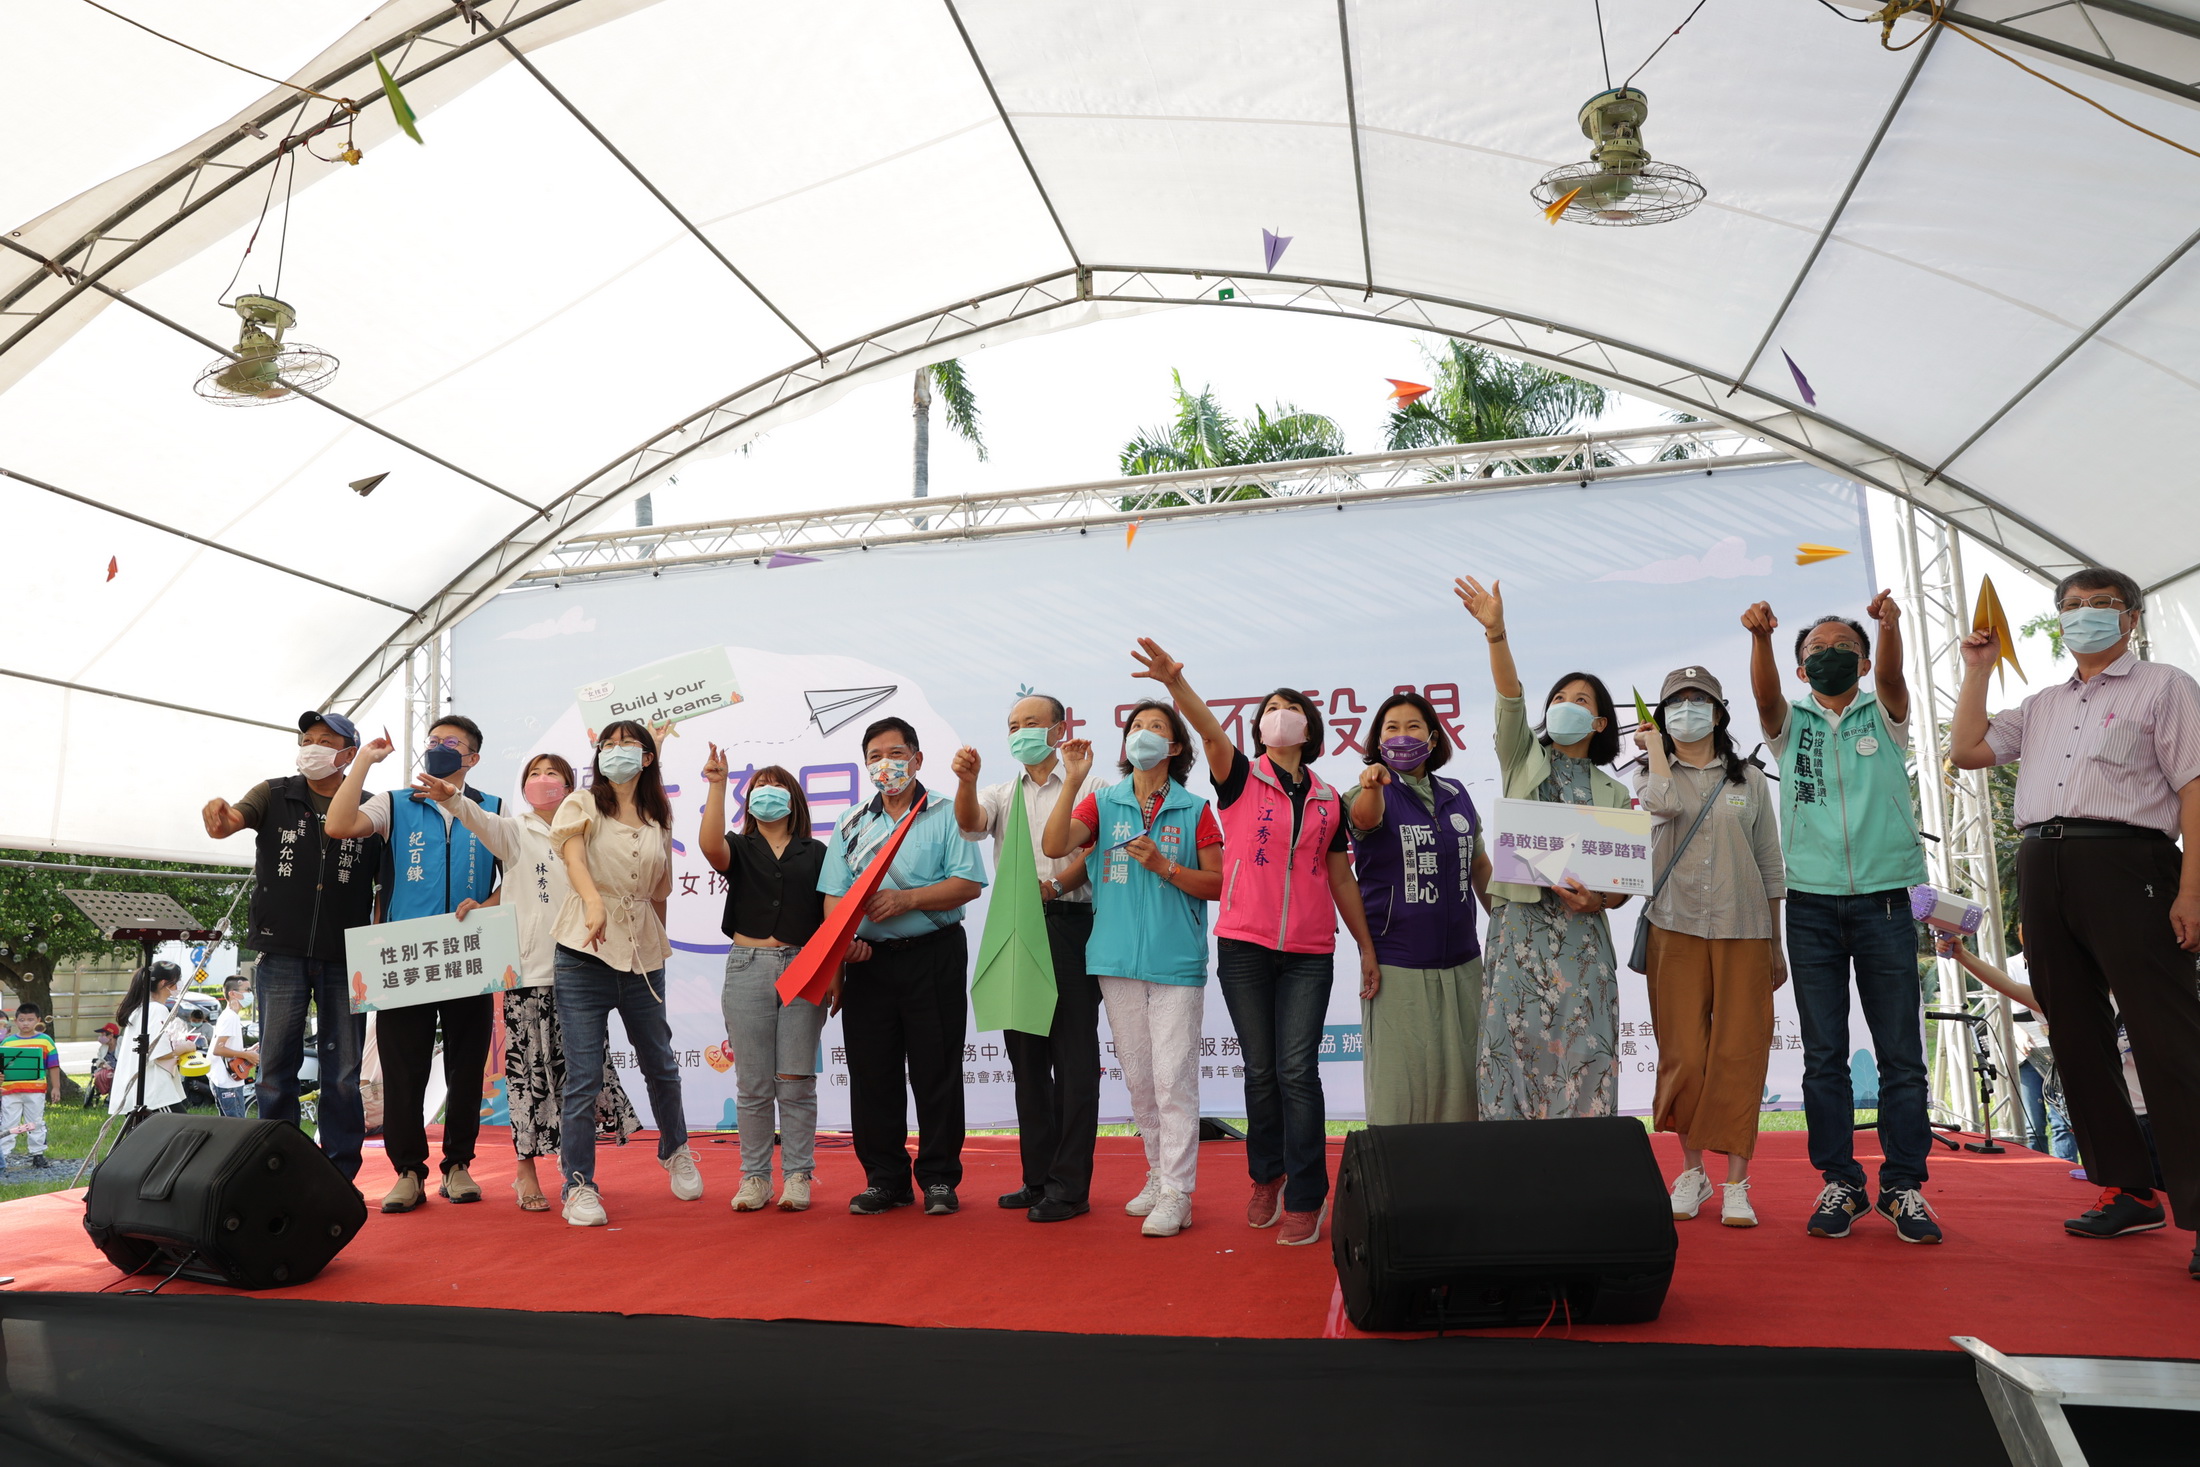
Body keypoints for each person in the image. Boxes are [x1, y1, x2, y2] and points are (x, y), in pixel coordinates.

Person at [1950, 565, 2200, 1279]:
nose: (2085, 614)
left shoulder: (2167, 686)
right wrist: (1978, 669)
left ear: (2133, 618)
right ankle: (2126, 1187)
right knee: (2076, 1032)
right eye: (2073, 606)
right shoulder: (2042, 703)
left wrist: (2193, 889)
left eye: (2102, 605)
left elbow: (2195, 789)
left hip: (2131, 862)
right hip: (2043, 861)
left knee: (2167, 1036)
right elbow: (1967, 748)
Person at [1128, 640, 1379, 1248]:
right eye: (1270, 708)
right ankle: (1266, 1176)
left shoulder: (1328, 799)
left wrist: (1365, 947)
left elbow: (1341, 876)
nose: (1279, 713)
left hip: (1310, 952)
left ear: (1309, 729)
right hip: (1244, 944)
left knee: (1298, 1070)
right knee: (1262, 1071)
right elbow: (1210, 732)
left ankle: (1305, 1196)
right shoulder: (1241, 778)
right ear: (1261, 727)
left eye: (1291, 708)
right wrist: (1175, 686)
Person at [1744, 593, 1939, 1243]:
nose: (1828, 656)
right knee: (1824, 1054)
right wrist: (1762, 641)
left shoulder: (1883, 712)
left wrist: (1887, 629)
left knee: (1901, 1055)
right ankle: (1842, 1182)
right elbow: (1765, 696)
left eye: (1841, 648)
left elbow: (1891, 675)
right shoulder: (1788, 722)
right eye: (1815, 651)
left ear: (1859, 659)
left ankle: (1905, 1184)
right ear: (1801, 669)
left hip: (1887, 899)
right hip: (1810, 904)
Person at [1041, 701, 1226, 1238]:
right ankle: (1155, 1172)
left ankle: (1179, 1192)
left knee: (1173, 1080)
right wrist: (1073, 781)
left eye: (1155, 728)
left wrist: (1165, 866)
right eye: (1135, 727)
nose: (1142, 734)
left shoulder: (1196, 810)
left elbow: (1218, 885)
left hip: (1175, 963)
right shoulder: (1104, 804)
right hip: (1115, 960)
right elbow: (1055, 847)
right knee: (1142, 1079)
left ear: (1174, 748)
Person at [1453, 576, 1634, 1122]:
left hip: (1583, 942)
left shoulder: (1617, 792)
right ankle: (1511, 1189)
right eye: (1560, 697)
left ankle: (1584, 1187)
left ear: (1599, 722)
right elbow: (1510, 698)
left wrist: (1598, 901)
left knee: (1586, 1059)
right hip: (1520, 936)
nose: (1565, 705)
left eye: (1581, 701)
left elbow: (1623, 884)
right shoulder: (1521, 759)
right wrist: (1496, 634)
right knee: (1511, 1057)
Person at [426, 753, 641, 1211]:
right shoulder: (515, 829)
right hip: (531, 974)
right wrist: (454, 799)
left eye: (554, 774)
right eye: (535, 774)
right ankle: (524, 1173)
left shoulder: (590, 827)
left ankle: (577, 1175)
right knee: (527, 1077)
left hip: (585, 968)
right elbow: (479, 821)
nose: (544, 781)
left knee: (579, 1078)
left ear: (570, 784)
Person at [327, 716, 504, 1213]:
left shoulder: (490, 809)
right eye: (433, 741)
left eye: (453, 744)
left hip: (471, 955)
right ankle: (408, 1171)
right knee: (403, 1070)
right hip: (405, 958)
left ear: (472, 758)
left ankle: (459, 1165)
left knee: (467, 1067)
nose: (440, 749)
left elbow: (517, 873)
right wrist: (363, 760)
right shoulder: (395, 803)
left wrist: (487, 906)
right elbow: (339, 826)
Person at [200, 711, 385, 1179]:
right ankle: (274, 1171)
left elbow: (386, 887)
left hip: (347, 957)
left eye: (326, 740)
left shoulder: (372, 808)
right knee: (275, 1068)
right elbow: (229, 823)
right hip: (280, 953)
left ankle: (340, 1175)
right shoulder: (274, 793)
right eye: (308, 739)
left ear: (349, 753)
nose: (313, 747)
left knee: (342, 1074)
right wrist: (219, 816)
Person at [1633, 666, 1786, 1229]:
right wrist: (1654, 752)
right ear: (1660, 714)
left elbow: (1770, 863)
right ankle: (1692, 1172)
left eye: (1699, 702)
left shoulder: (1749, 779)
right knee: (1684, 1054)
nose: (1688, 712)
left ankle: (1738, 1183)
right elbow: (1663, 807)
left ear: (1720, 713)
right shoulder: (1650, 775)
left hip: (1745, 926)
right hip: (1674, 926)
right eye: (1676, 703)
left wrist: (1777, 942)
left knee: (1740, 1052)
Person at [822, 717, 988, 1217]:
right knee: (873, 1074)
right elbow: (833, 896)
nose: (884, 764)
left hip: (932, 955)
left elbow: (968, 884)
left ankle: (938, 1178)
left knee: (936, 1070)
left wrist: (908, 899)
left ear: (916, 759)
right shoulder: (852, 822)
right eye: (874, 756)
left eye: (895, 754)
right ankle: (884, 1179)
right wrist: (843, 942)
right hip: (869, 965)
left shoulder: (942, 812)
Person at [952, 694, 1102, 1222]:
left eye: (1031, 723)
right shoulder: (1000, 791)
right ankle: (1037, 1178)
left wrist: (1056, 888)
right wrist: (966, 781)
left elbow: (1096, 852)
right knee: (1028, 1063)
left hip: (1070, 928)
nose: (1020, 732)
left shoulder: (1092, 785)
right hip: (1016, 931)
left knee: (1075, 1060)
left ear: (1060, 729)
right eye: (1012, 725)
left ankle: (1070, 1186)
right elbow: (970, 824)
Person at [549, 721, 704, 1226]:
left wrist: (659, 946)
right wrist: (593, 903)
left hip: (643, 956)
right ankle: (579, 1186)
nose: (615, 752)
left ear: (647, 757)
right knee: (584, 1075)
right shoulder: (583, 802)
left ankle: (675, 1149)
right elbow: (573, 858)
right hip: (583, 952)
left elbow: (660, 890)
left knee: (661, 1062)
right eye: (607, 745)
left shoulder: (659, 814)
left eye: (627, 744)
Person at [1346, 690, 1491, 1126]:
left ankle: (1460, 1179)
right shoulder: (1366, 790)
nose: (1403, 736)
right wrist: (1373, 785)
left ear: (1432, 739)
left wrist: (1505, 922)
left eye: (1413, 727)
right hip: (1398, 962)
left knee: (1463, 1079)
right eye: (1392, 728)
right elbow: (1364, 819)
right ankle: (1400, 1183)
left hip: (1464, 962)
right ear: (1377, 741)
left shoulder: (1456, 792)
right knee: (1402, 1086)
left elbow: (1478, 863)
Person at [700, 755, 830, 1214]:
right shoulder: (738, 846)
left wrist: (835, 974)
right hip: (747, 965)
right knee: (753, 1085)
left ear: (793, 800)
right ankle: (755, 1178)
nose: (768, 793)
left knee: (795, 1080)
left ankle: (798, 1176)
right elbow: (710, 846)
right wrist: (718, 785)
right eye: (759, 786)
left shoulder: (816, 853)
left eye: (777, 786)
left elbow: (832, 920)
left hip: (804, 966)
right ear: (749, 801)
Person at [1932, 936, 2080, 1163]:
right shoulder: (2062, 996)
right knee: (2039, 1124)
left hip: (2139, 1113)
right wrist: (1962, 954)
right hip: (2033, 1057)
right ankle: (2050, 1171)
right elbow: (2007, 986)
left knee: (2066, 1124)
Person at [109, 961, 192, 1118]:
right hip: (154, 1092)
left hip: (139, 1091)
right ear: (164, 983)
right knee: (183, 1131)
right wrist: (188, 1046)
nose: (179, 986)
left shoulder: (140, 1009)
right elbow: (159, 1052)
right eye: (177, 981)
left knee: (142, 1140)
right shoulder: (156, 1009)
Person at [1, 1004, 61, 1167]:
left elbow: (54, 1065)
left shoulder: (45, 1041)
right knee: (8, 1123)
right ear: (15, 1021)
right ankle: (3, 1155)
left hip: (36, 1090)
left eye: (30, 1020)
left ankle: (37, 1154)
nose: (25, 1023)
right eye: (21, 1020)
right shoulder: (7, 1043)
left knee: (35, 1121)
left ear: (38, 1021)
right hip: (10, 1090)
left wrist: (56, 1087)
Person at [208, 977, 257, 1119]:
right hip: (228, 1082)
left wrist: (247, 1051)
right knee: (238, 1128)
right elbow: (218, 1049)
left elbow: (226, 1048)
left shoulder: (230, 1016)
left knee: (229, 1127)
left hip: (225, 1079)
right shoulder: (230, 1017)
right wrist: (247, 1055)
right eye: (247, 990)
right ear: (233, 994)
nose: (250, 993)